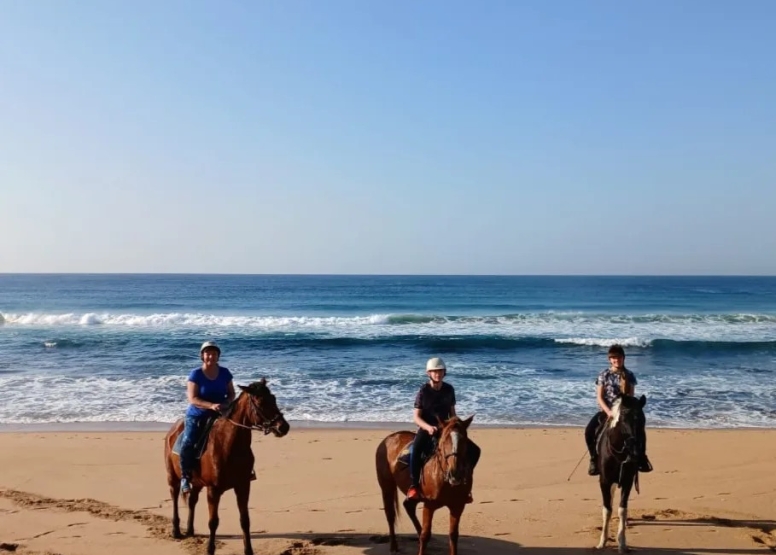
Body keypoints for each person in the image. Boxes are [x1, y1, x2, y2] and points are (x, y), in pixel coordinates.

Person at [407, 357, 481, 502]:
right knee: (415, 450)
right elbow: (416, 417)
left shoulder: (449, 389)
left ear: (444, 372)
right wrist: (428, 427)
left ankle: (466, 485)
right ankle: (414, 486)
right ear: (429, 373)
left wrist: (457, 426)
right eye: (434, 371)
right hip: (428, 428)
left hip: (447, 429)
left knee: (474, 450)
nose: (438, 374)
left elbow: (452, 413)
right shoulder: (423, 391)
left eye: (440, 371)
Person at [584, 344, 652, 476]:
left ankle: (642, 458)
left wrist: (624, 412)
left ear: (623, 358)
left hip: (624, 413)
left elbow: (631, 397)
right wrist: (609, 412)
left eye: (619, 357)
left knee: (639, 431)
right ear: (610, 359)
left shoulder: (629, 375)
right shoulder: (604, 375)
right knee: (589, 431)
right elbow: (599, 397)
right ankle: (593, 459)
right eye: (613, 358)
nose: (616, 360)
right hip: (606, 412)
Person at [179, 340, 235, 493]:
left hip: (221, 413)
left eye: (214, 354)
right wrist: (211, 406)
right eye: (208, 353)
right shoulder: (196, 374)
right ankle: (185, 476)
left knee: (237, 437)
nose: (211, 356)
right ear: (202, 356)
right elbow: (193, 399)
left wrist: (227, 403)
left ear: (218, 356)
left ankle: (244, 471)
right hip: (198, 414)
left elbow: (231, 393)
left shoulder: (225, 373)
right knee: (188, 442)